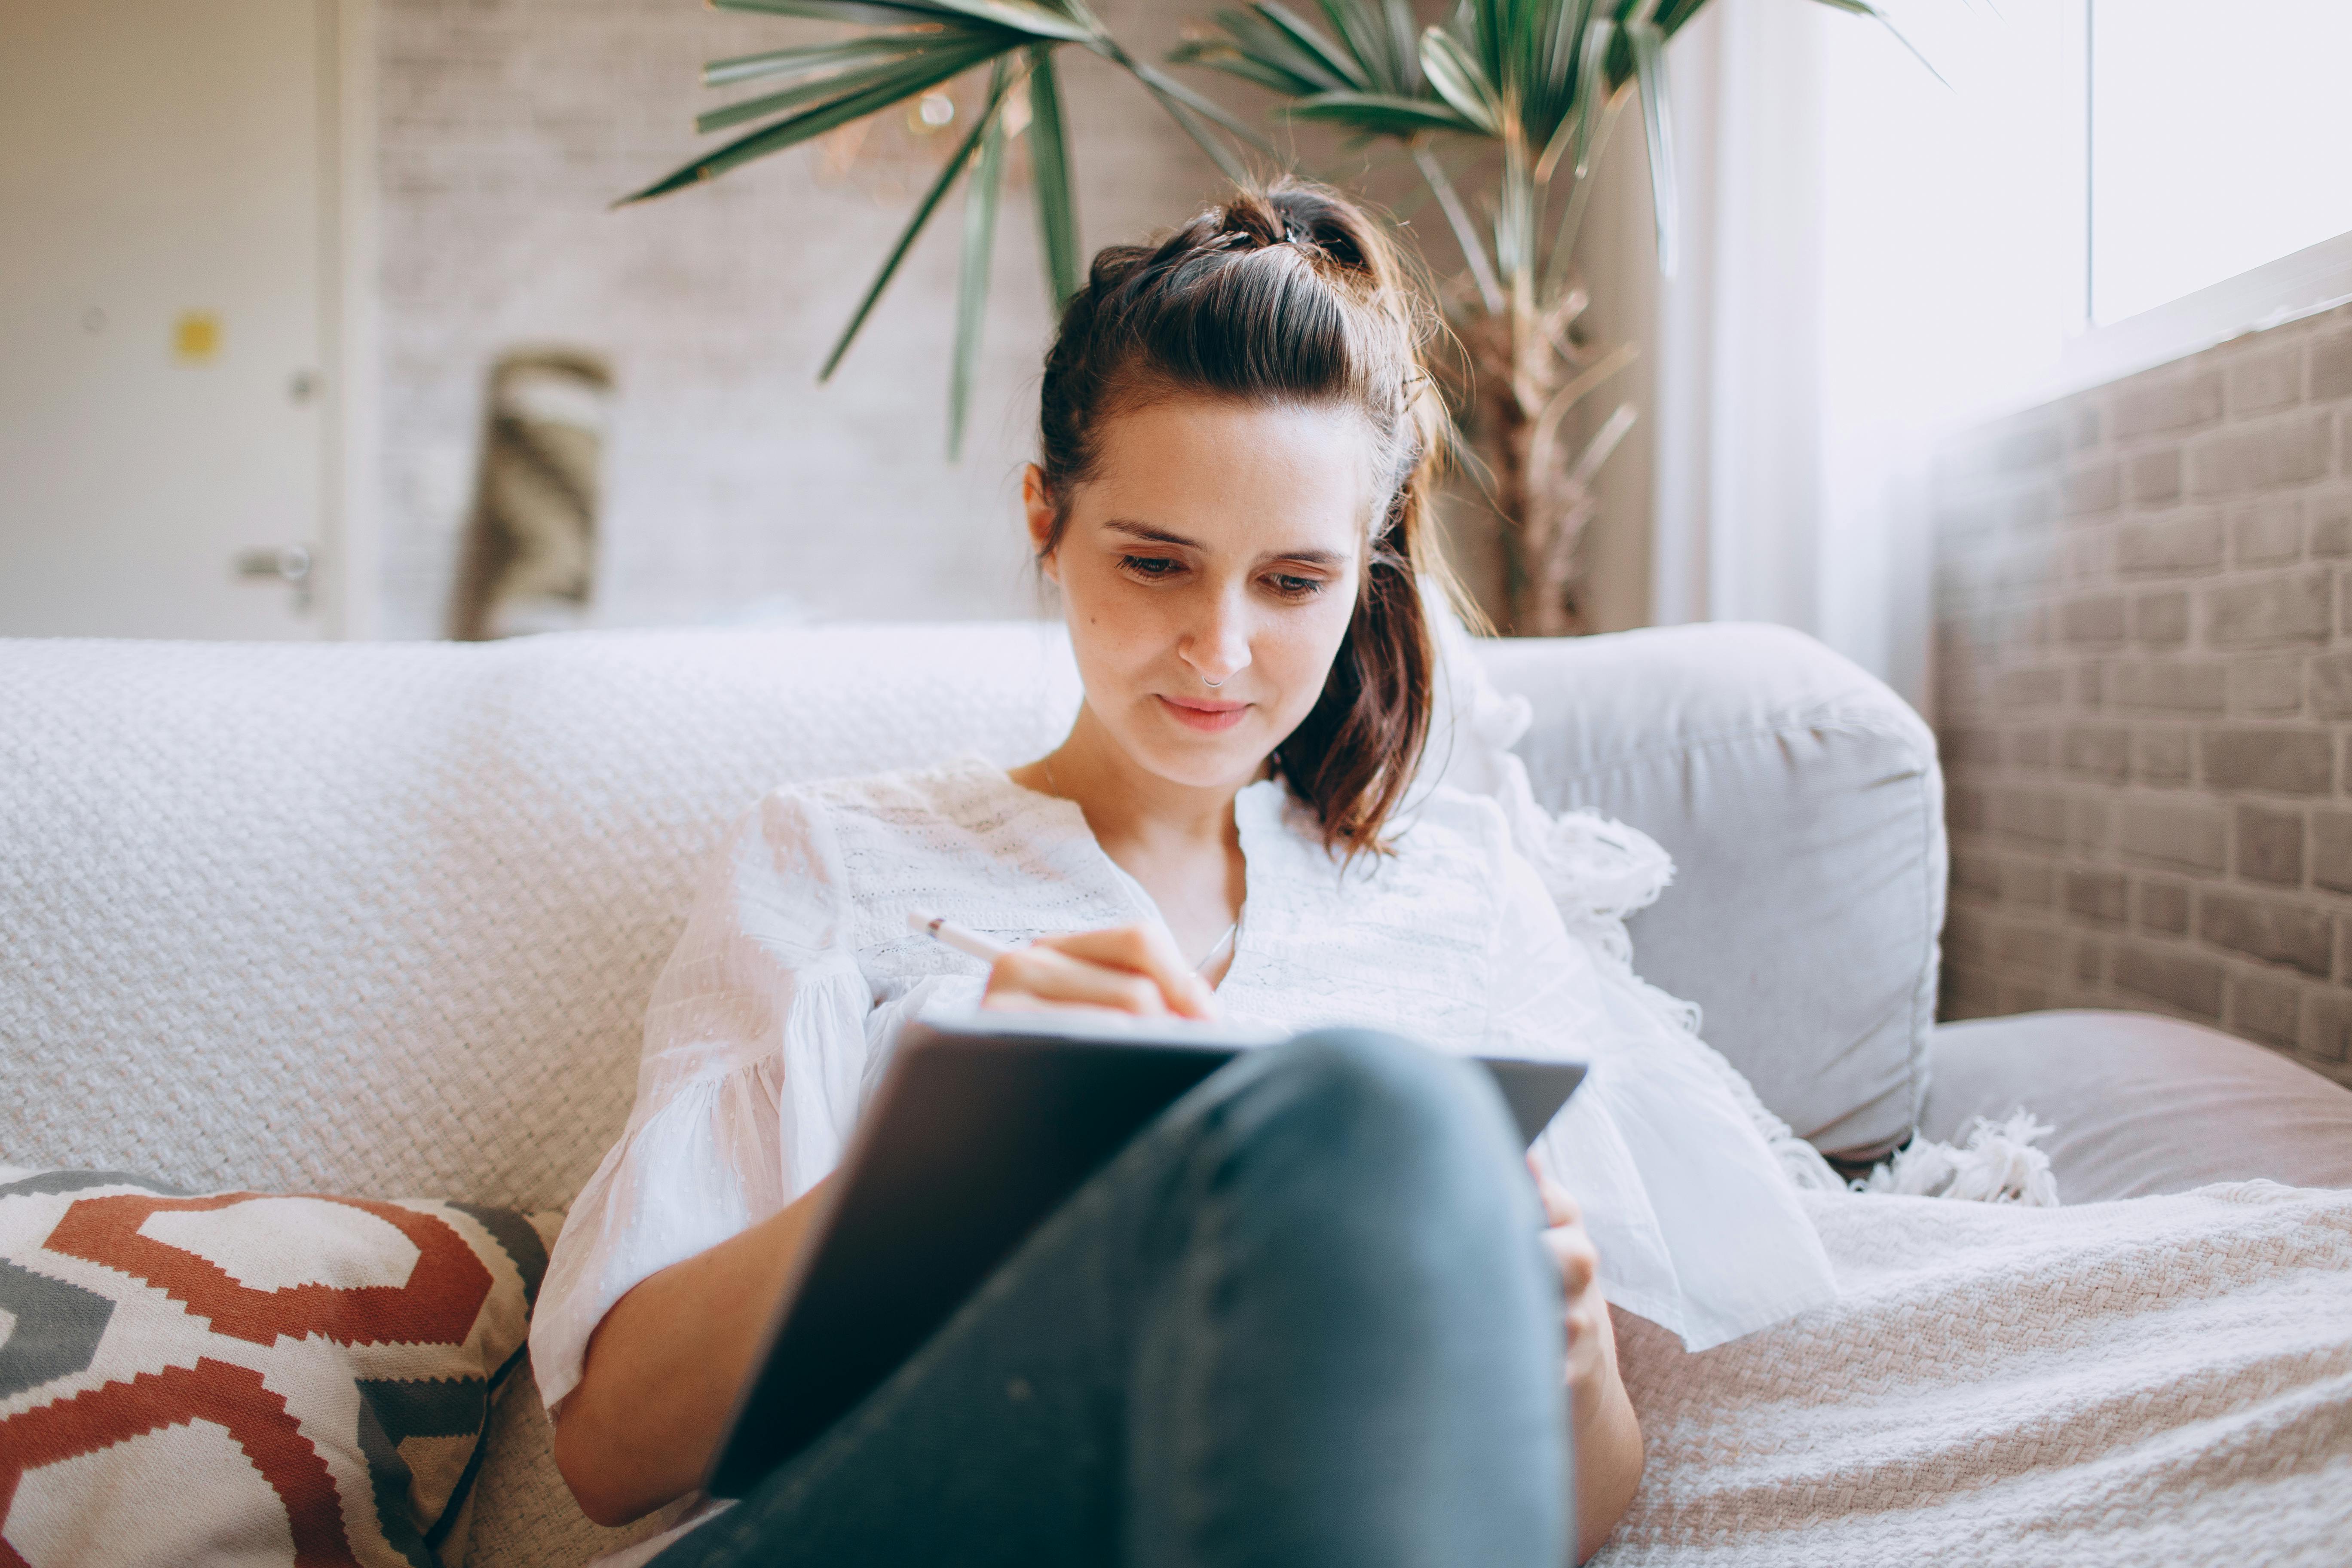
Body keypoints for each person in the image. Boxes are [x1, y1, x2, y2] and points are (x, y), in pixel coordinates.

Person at [533, 179, 1835, 1567]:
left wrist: (1571, 1364)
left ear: (1368, 568)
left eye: (1291, 584)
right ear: (1046, 517)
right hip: (893, 1525)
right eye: (1156, 565)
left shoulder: (1459, 896)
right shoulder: (840, 859)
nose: (1219, 652)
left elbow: (1557, 1525)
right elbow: (609, 1456)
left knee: (1377, 1108)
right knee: (1367, 1100)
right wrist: (954, 1159)